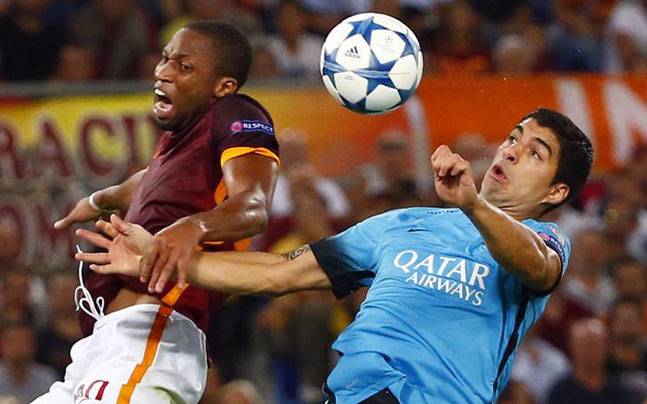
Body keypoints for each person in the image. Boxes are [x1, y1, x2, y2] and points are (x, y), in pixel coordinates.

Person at [78, 108, 592, 403]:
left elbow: (534, 266)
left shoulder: (546, 243)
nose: (509, 151)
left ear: (555, 194)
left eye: (533, 154)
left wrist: (474, 205)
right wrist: (160, 258)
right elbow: (281, 272)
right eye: (512, 138)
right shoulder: (402, 225)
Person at [42, 20, 280, 403]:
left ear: (224, 86)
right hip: (97, 347)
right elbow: (149, 179)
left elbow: (252, 207)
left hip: (152, 334)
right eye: (166, 59)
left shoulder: (236, 111)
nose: (164, 72)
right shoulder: (181, 141)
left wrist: (192, 227)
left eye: (184, 67)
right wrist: (97, 200)